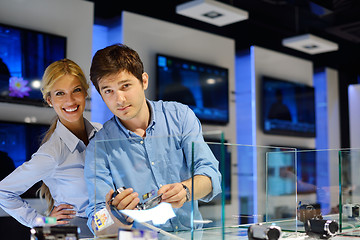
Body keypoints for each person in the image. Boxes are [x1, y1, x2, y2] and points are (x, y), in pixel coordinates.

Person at [84, 44, 222, 234]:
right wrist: (115, 214)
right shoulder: (99, 146)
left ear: (144, 81)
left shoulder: (179, 116)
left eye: (125, 86)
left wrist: (186, 190)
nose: (120, 100)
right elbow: (96, 222)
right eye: (108, 91)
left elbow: (210, 175)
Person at [0, 59, 102, 238]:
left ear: (85, 92)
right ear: (49, 100)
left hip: (108, 229)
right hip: (73, 233)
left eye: (76, 90)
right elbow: (4, 191)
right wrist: (41, 222)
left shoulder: (101, 132)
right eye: (60, 93)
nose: (70, 100)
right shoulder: (52, 152)